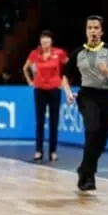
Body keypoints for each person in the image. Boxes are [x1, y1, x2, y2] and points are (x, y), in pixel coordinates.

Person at [62, 16, 108, 191]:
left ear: (101, 31)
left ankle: (84, 168)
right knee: (92, 130)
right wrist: (68, 93)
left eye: (96, 28)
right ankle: (89, 176)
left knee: (101, 140)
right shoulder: (78, 53)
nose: (93, 31)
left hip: (107, 96)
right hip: (87, 95)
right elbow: (65, 77)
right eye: (89, 27)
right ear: (86, 31)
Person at [22, 30, 69, 162]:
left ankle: (53, 151)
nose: (45, 43)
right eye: (43, 41)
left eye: (47, 41)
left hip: (54, 89)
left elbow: (69, 65)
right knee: (40, 121)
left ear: (51, 42)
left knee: (54, 121)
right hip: (39, 90)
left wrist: (65, 80)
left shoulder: (59, 53)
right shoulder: (34, 54)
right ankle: (39, 151)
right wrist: (30, 81)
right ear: (40, 42)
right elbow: (25, 67)